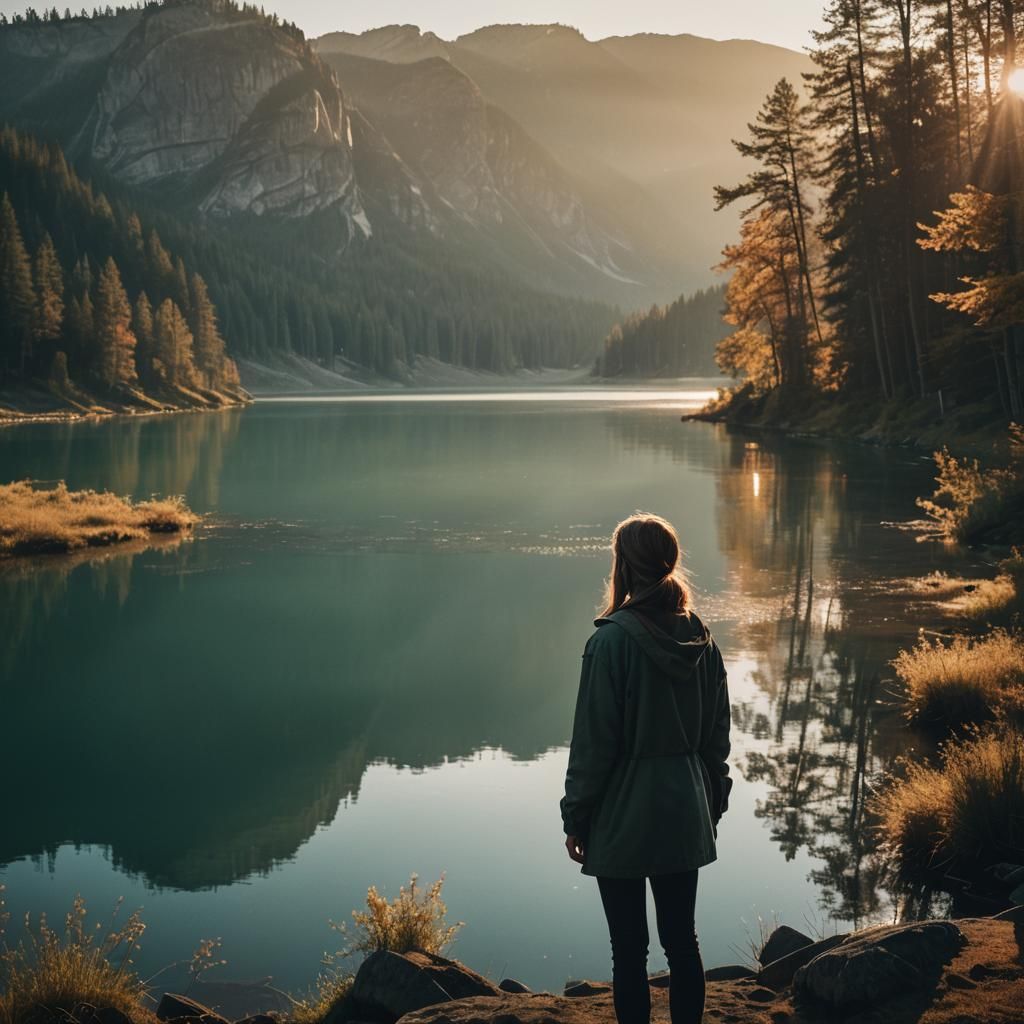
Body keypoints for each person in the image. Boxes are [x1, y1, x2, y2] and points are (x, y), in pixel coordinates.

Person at [560, 512, 732, 1024]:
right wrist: (712, 799)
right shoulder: (703, 641)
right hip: (685, 807)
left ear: (623, 567)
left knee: (628, 951)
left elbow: (593, 746)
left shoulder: (609, 643)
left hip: (622, 814)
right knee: (683, 941)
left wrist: (576, 817)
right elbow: (717, 738)